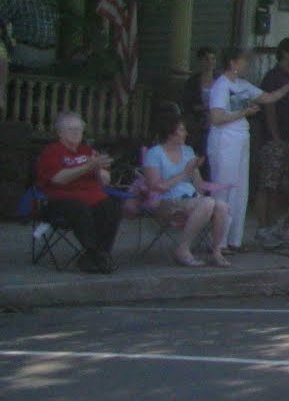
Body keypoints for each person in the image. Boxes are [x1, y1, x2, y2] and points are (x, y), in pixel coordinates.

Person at [208, 46, 289, 252]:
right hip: (225, 139)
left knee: (240, 190)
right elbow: (216, 117)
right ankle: (218, 241)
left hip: (241, 138)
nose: (246, 65)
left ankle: (234, 239)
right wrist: (243, 112)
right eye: (243, 61)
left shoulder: (242, 84)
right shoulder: (221, 85)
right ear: (233, 63)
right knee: (224, 188)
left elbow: (268, 97)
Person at [142, 102, 230, 267]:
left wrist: (196, 169)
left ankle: (216, 251)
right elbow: (155, 187)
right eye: (182, 130)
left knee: (221, 206)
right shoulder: (155, 154)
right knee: (208, 203)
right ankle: (182, 249)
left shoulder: (188, 151)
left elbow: (198, 187)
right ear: (170, 133)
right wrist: (184, 172)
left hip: (191, 199)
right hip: (166, 201)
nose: (185, 133)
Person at [34, 109, 122, 273]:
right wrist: (88, 166)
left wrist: (98, 168)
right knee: (80, 209)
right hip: (61, 200)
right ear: (60, 133)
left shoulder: (88, 151)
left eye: (79, 129)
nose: (76, 132)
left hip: (93, 198)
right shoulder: (52, 151)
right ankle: (97, 255)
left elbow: (106, 181)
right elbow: (59, 179)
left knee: (112, 207)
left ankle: (95, 256)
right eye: (71, 129)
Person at [254, 37, 289, 245]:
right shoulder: (273, 77)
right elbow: (270, 107)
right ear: (285, 52)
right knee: (268, 184)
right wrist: (274, 135)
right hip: (274, 138)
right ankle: (262, 227)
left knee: (280, 186)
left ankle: (274, 227)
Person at [181, 46, 217, 157]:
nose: (210, 62)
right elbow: (188, 104)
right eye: (207, 59)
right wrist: (204, 109)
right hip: (198, 123)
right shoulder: (192, 82)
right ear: (200, 61)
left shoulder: (221, 81)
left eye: (213, 58)